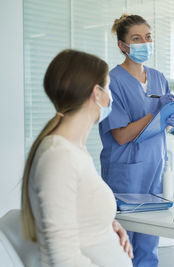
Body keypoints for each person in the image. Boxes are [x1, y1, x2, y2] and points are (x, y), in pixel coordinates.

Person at [20, 49, 133, 266]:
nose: (111, 96)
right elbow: (63, 260)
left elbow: (79, 212)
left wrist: (105, 227)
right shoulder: (58, 156)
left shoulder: (74, 150)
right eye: (108, 87)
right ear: (96, 93)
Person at [99, 14, 174, 266]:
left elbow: (160, 128)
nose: (144, 43)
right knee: (124, 245)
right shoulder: (111, 82)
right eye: (136, 39)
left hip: (154, 169)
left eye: (148, 37)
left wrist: (170, 118)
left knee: (148, 243)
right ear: (122, 45)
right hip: (126, 174)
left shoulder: (158, 77)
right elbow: (121, 135)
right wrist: (157, 114)